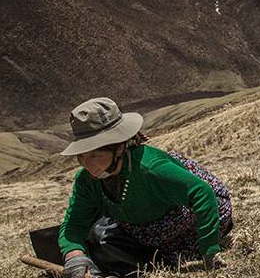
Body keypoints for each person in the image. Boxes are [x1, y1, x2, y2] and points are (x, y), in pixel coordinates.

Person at [53, 98, 232, 278]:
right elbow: (75, 224)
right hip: (141, 227)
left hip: (187, 219)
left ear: (119, 148)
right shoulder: (86, 180)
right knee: (98, 234)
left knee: (107, 239)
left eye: (95, 155)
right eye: (82, 156)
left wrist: (209, 251)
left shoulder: (150, 168)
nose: (87, 164)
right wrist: (74, 256)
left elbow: (202, 194)